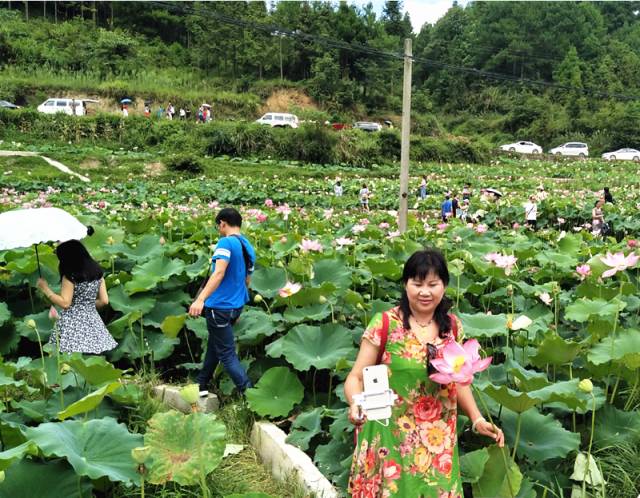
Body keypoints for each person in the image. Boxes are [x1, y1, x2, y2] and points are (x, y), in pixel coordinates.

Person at [345, 249, 504, 497]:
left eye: (433, 284)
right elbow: (355, 377)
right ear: (405, 285)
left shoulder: (452, 327)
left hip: (437, 440)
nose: (425, 292)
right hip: (389, 436)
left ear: (444, 286)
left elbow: (460, 382)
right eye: (417, 283)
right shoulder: (385, 323)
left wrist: (477, 418)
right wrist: (355, 404)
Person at [188, 207, 256, 395]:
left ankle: (248, 394)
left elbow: (218, 273)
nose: (218, 228)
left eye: (218, 225)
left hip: (218, 307)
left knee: (227, 355)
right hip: (236, 306)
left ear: (223, 223)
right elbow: (247, 280)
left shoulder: (225, 243)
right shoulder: (247, 245)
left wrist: (200, 299)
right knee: (214, 345)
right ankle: (201, 385)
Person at [36, 239, 117, 354]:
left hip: (72, 325)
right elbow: (104, 301)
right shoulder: (97, 273)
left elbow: (65, 303)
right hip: (93, 321)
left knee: (70, 360)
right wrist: (85, 305)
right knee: (91, 359)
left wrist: (45, 289)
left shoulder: (70, 276)